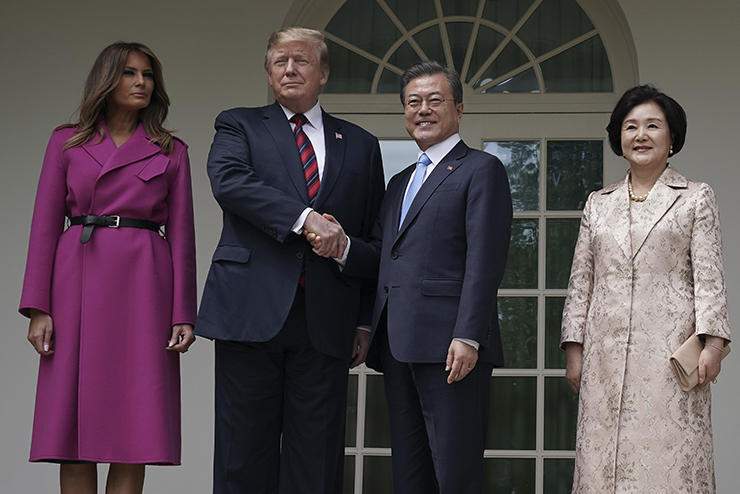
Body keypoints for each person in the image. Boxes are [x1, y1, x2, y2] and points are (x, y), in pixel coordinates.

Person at [195, 27, 385, 494]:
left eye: (301, 60)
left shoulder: (361, 143)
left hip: (327, 319)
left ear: (324, 73)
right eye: (280, 61)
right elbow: (230, 182)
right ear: (268, 72)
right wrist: (305, 219)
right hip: (249, 311)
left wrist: (364, 320)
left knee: (316, 462)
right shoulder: (237, 125)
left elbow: (372, 239)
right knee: (242, 457)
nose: (290, 69)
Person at [20, 42, 197, 494]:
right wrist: (39, 307)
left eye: (148, 75)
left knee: (135, 426)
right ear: (107, 79)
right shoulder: (67, 142)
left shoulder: (171, 151)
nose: (141, 82)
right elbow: (44, 227)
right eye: (130, 73)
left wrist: (183, 314)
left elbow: (182, 237)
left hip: (144, 286)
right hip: (76, 280)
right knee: (72, 427)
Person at [561, 85, 731, 493]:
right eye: (630, 126)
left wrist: (713, 345)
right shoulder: (598, 203)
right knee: (603, 470)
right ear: (618, 137)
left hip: (670, 358)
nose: (641, 135)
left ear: (672, 137)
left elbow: (710, 278)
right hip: (604, 359)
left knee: (670, 470)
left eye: (653, 126)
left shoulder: (695, 197)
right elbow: (581, 281)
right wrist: (574, 348)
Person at [364, 60, 512, 494]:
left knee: (455, 474)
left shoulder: (481, 169)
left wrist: (469, 335)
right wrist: (339, 244)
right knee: (410, 475)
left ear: (459, 109)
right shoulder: (399, 182)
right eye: (413, 102)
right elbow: (381, 255)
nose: (423, 110)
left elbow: (485, 261)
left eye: (435, 100)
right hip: (398, 345)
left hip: (452, 348)